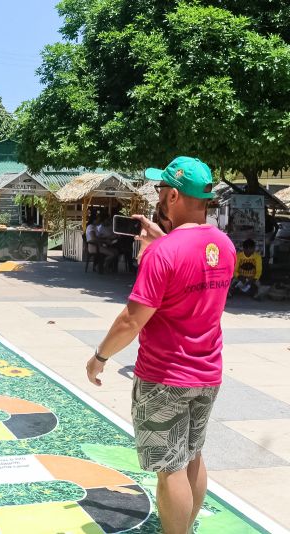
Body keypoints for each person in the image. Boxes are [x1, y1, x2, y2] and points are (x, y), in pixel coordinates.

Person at [85, 156, 235, 534]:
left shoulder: (161, 253)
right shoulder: (225, 245)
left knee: (170, 467)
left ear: (171, 195)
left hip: (165, 375)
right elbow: (193, 269)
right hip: (207, 371)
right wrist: (162, 242)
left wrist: (100, 356)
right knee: (192, 456)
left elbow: (131, 320)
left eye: (159, 190)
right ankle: (186, 527)